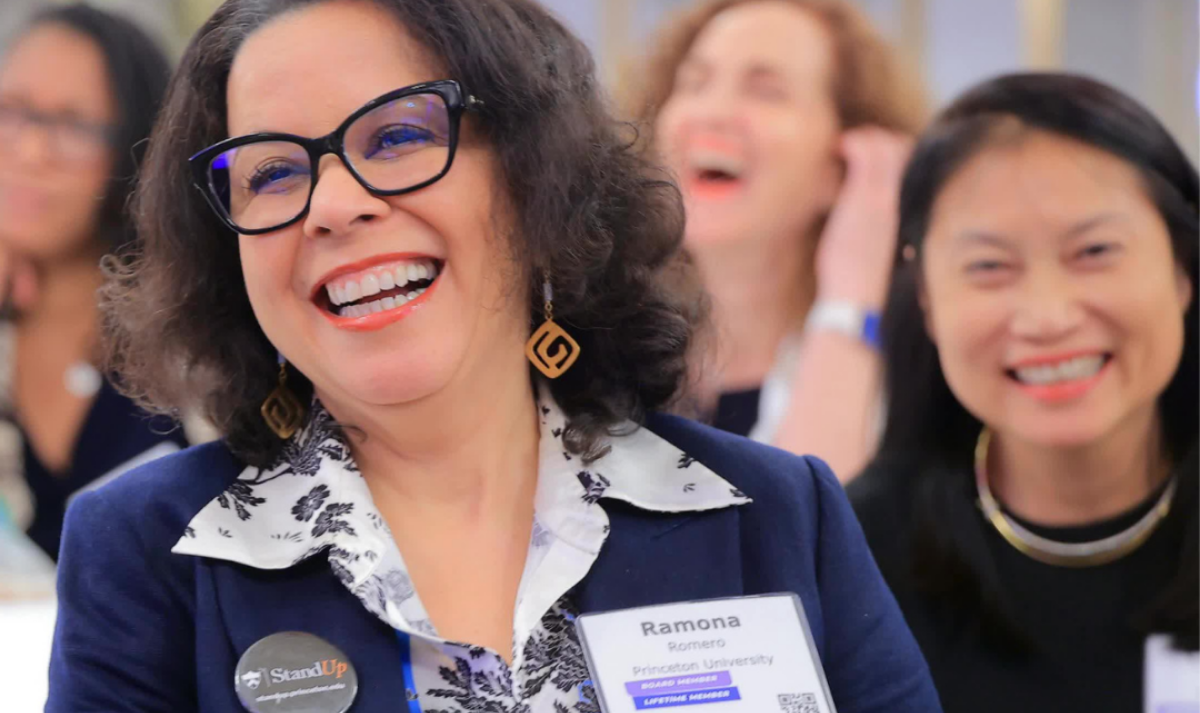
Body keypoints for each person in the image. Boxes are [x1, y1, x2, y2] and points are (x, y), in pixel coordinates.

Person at [47, 0, 940, 711]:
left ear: (535, 179)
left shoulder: (778, 516)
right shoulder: (148, 549)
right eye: (272, 172)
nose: (333, 204)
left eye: (397, 137)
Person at [848, 72, 1198, 713]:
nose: (1046, 317)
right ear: (925, 296)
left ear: (1183, 270)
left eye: (1094, 251)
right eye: (989, 267)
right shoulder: (856, 556)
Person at [636, 0, 925, 478]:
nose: (712, 112)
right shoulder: (602, 354)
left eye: (766, 91)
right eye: (694, 83)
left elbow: (810, 536)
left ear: (842, 167)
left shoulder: (911, 379)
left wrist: (850, 298)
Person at [0, 4, 184, 561]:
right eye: (10, 111)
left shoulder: (195, 333)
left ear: (137, 150)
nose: (30, 151)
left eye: (74, 125)